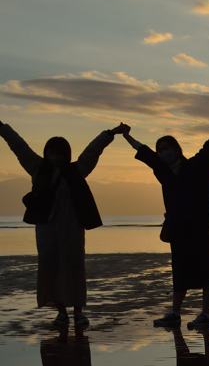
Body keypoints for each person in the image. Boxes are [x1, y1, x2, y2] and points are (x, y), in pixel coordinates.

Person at [120, 105, 209, 329]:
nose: (163, 153)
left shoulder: (198, 166)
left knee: (208, 271)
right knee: (180, 273)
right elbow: (146, 154)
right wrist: (126, 136)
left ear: (177, 149)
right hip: (178, 228)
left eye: (167, 148)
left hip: (201, 226)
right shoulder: (164, 172)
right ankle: (175, 313)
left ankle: (205, 315)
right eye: (160, 150)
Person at [0, 119, 128, 328]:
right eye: (51, 151)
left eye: (59, 152)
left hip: (73, 229)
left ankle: (78, 312)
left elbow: (92, 151)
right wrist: (2, 128)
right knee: (50, 268)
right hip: (46, 230)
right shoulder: (37, 168)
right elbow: (18, 146)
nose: (54, 156)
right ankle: (61, 313)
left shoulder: (77, 170)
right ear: (46, 152)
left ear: (65, 154)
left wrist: (110, 133)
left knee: (74, 267)